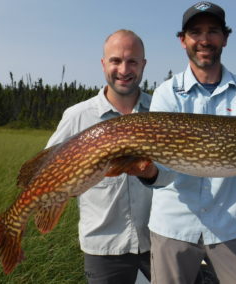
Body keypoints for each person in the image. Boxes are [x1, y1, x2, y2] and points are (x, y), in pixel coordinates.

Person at [136, 2, 236, 283]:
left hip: (229, 224)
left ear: (225, 38)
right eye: (196, 32)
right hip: (174, 224)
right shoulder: (166, 94)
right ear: (183, 40)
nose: (205, 40)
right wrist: (149, 173)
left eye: (213, 31)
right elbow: (164, 168)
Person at [46, 29, 154, 284]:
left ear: (143, 65)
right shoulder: (77, 116)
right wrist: (67, 185)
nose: (124, 69)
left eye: (132, 61)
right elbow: (48, 171)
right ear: (104, 63)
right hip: (104, 247)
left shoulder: (162, 110)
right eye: (116, 60)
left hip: (158, 241)